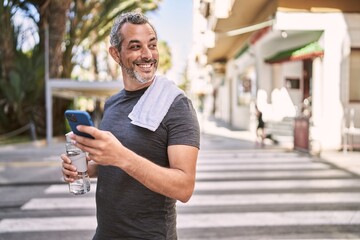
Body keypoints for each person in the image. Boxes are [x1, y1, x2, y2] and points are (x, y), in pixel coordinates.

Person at [61, 11, 200, 240]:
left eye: (152, 45)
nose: (147, 55)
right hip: (105, 234)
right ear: (116, 54)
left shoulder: (176, 105)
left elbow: (184, 188)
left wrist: (121, 156)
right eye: (135, 46)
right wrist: (87, 167)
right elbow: (115, 164)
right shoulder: (112, 104)